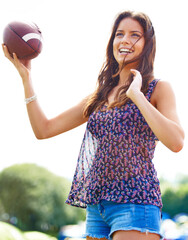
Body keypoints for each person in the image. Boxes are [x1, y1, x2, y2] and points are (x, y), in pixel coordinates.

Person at [2, 10, 184, 240]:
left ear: (147, 44)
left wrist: (137, 96)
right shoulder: (99, 96)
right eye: (119, 34)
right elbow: (44, 129)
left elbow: (177, 142)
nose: (125, 40)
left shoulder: (157, 88)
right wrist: (26, 78)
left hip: (136, 202)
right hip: (97, 207)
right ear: (112, 42)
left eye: (134, 35)